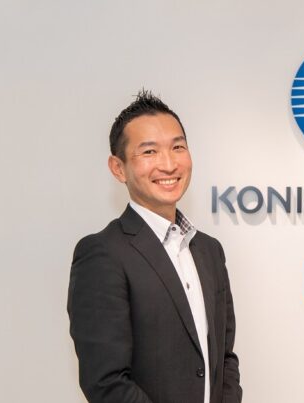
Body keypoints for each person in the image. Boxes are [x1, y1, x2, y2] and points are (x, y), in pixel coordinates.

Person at [67, 90, 242, 403]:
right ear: (118, 168)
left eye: (178, 147)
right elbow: (106, 383)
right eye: (149, 152)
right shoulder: (102, 254)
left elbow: (225, 360)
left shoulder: (209, 251)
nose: (169, 164)